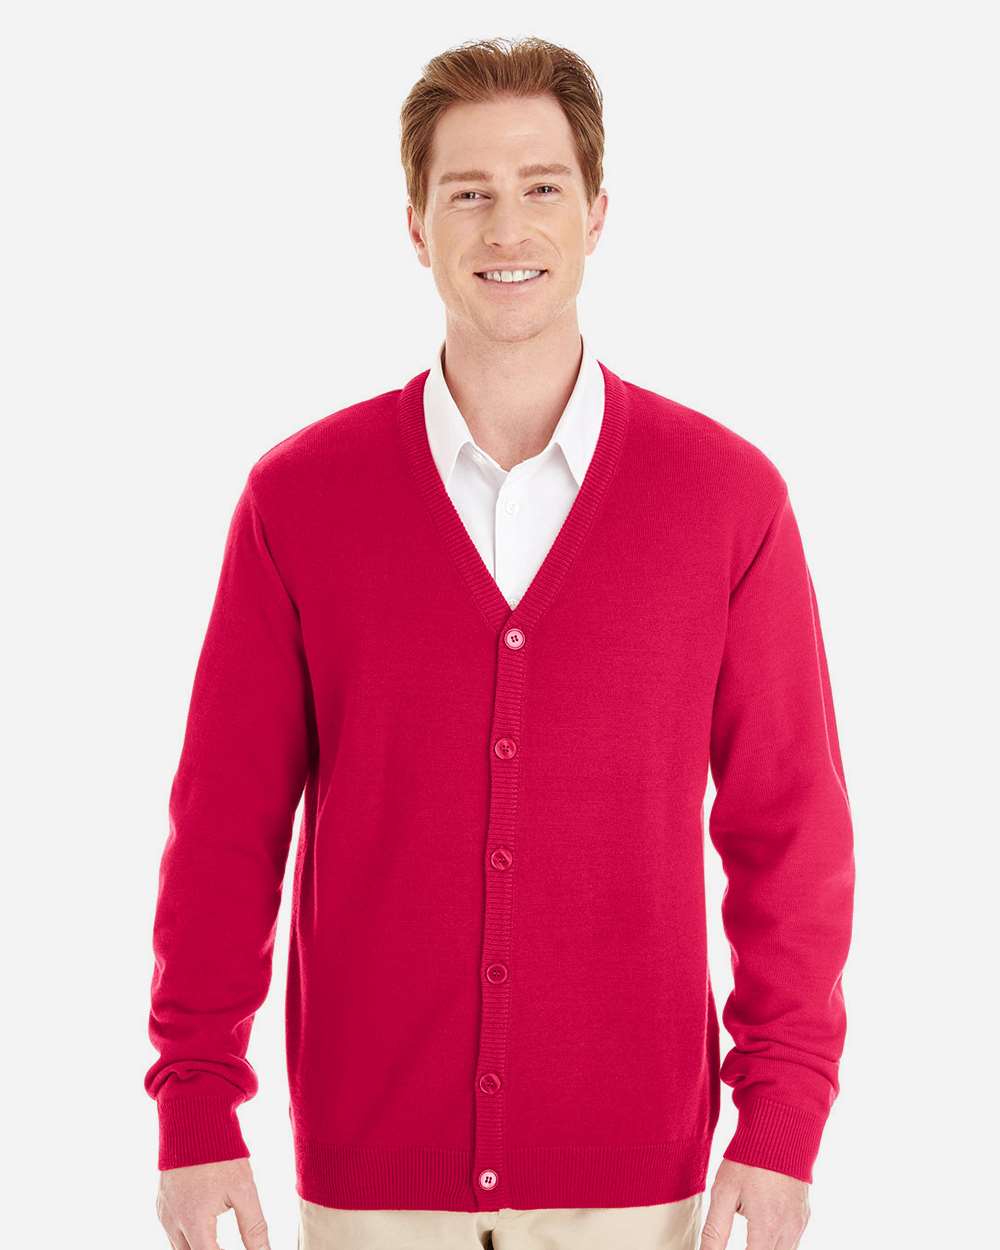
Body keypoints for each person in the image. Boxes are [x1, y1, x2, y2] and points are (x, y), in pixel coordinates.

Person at [145, 35, 855, 1250]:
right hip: (373, 1181)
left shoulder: (727, 501)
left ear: (597, 214)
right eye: (467, 192)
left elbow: (790, 832)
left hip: (638, 1185)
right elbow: (225, 824)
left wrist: (781, 1115)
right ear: (415, 226)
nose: (507, 226)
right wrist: (195, 1102)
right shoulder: (298, 501)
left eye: (541, 187)